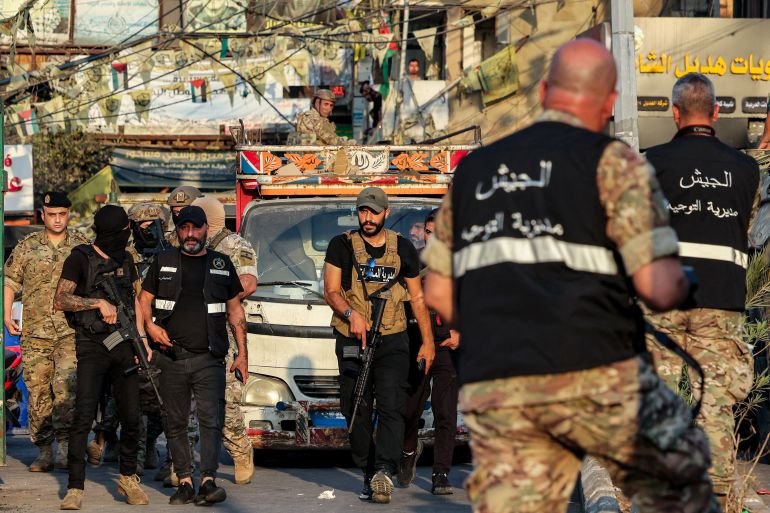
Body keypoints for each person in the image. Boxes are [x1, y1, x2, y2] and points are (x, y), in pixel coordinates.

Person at [421, 39, 721, 513]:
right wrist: (684, 281)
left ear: (544, 91)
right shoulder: (616, 165)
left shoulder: (475, 170)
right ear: (610, 101)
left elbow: (438, 291)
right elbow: (657, 287)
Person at [644, 72, 760, 507]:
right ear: (716, 111)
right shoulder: (746, 169)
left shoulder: (648, 164)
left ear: (675, 113)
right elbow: (746, 228)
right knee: (714, 400)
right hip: (721, 301)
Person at [323, 187, 435, 504]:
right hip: (352, 337)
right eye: (363, 211)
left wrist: (428, 342)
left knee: (391, 406)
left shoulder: (402, 248)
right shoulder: (341, 245)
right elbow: (331, 290)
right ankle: (369, 469)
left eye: (373, 212)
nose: (367, 218)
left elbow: (417, 298)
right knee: (354, 406)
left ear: (386, 213)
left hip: (393, 336)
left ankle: (384, 470)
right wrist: (351, 315)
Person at [138, 205, 248, 506]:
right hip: (170, 357)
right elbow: (143, 299)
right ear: (178, 230)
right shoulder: (164, 261)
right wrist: (149, 328)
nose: (190, 234)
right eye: (184, 228)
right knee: (174, 422)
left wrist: (242, 354)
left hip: (209, 358)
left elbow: (235, 311)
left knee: (210, 421)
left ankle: (208, 481)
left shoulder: (221, 263)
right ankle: (185, 482)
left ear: (205, 230)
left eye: (195, 228)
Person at [54, 205, 150, 510]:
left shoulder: (127, 258)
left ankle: (128, 478)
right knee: (83, 415)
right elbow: (60, 300)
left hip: (125, 345)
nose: (126, 236)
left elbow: (135, 300)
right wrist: (97, 303)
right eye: (122, 232)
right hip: (92, 346)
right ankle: (75, 487)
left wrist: (142, 339)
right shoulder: (79, 258)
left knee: (132, 416)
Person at [3, 192, 88, 472]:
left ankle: (64, 447)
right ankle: (43, 450)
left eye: (62, 214)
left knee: (67, 390)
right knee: (38, 392)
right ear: (43, 215)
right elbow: (10, 281)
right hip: (35, 333)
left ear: (68, 214)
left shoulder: (81, 246)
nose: (57, 220)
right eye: (52, 215)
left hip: (70, 332)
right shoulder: (27, 246)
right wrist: (6, 315)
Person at [191, 196, 257, 485]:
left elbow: (249, 283)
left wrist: (216, 295)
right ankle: (184, 464)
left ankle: (240, 452)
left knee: (226, 402)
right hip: (190, 333)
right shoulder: (189, 244)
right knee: (187, 404)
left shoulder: (235, 245)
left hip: (224, 335)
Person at [399, 209, 459, 495]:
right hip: (419, 343)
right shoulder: (414, 262)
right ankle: (409, 450)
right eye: (429, 232)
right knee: (410, 409)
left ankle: (441, 474)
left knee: (445, 412)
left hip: (447, 346)